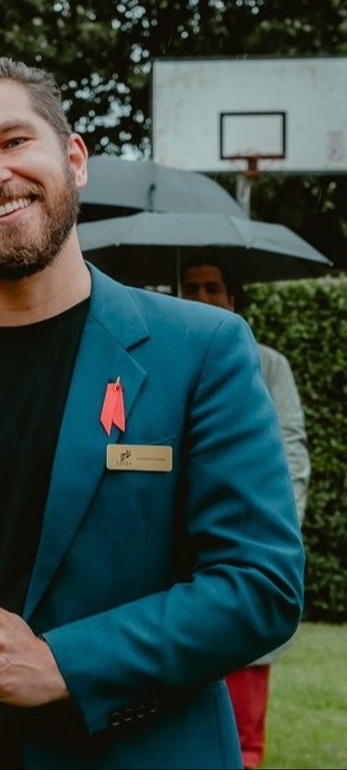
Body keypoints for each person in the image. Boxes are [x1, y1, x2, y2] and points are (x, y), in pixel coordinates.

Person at [0, 54, 305, 768]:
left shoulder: (201, 348)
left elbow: (260, 587)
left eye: (14, 140)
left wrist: (65, 664)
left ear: (74, 159)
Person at [180, 256, 309, 769]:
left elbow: (291, 452)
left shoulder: (268, 364)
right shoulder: (155, 357)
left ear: (234, 298)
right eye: (191, 287)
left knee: (244, 732)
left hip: (239, 554)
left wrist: (271, 535)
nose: (203, 297)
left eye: (214, 288)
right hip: (173, 573)